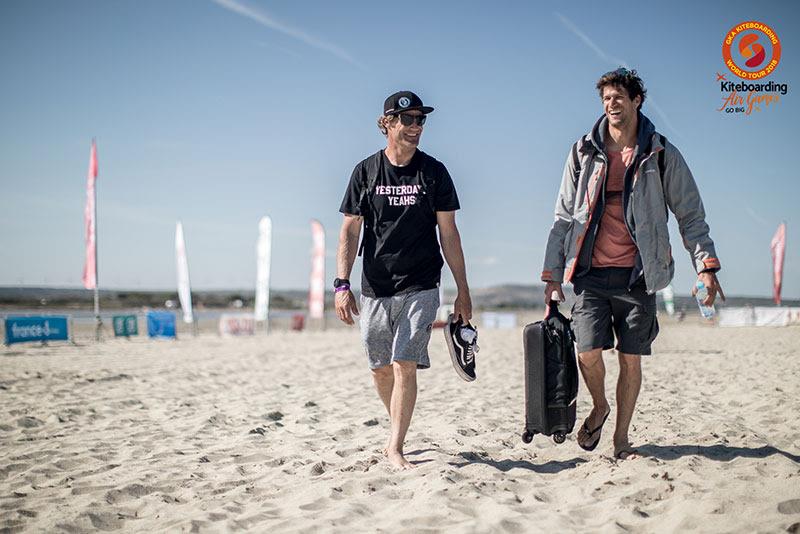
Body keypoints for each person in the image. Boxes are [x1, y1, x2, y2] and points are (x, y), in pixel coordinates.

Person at [541, 68, 724, 460]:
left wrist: (705, 265)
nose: (612, 104)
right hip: (590, 273)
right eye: (606, 98)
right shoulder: (582, 151)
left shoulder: (660, 153)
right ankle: (600, 406)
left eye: (619, 97)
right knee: (587, 352)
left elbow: (690, 214)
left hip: (639, 275)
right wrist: (552, 274)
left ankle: (621, 439)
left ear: (637, 100)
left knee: (630, 358)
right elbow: (562, 217)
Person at [335, 90, 473, 470]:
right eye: (408, 120)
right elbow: (349, 230)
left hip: (422, 283)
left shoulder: (434, 172)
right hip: (375, 286)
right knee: (380, 367)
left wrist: (463, 289)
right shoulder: (365, 172)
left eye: (420, 120)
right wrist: (341, 284)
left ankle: (395, 446)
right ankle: (398, 423)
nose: (416, 127)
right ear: (388, 125)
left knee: (403, 364)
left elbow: (450, 234)